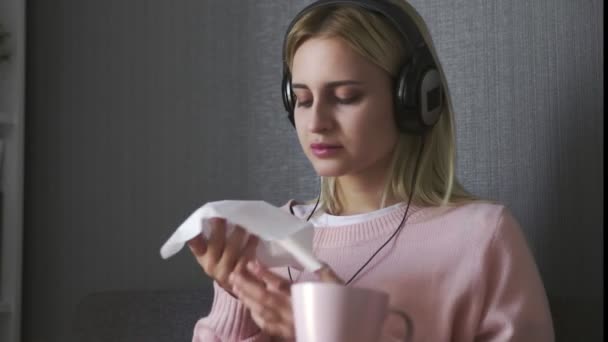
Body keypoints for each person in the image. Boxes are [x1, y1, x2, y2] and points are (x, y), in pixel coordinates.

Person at [187, 0, 555, 341]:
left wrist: (330, 332)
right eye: (302, 100)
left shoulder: (481, 237)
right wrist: (236, 290)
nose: (316, 122)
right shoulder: (265, 238)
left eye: (346, 97)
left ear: (413, 99)